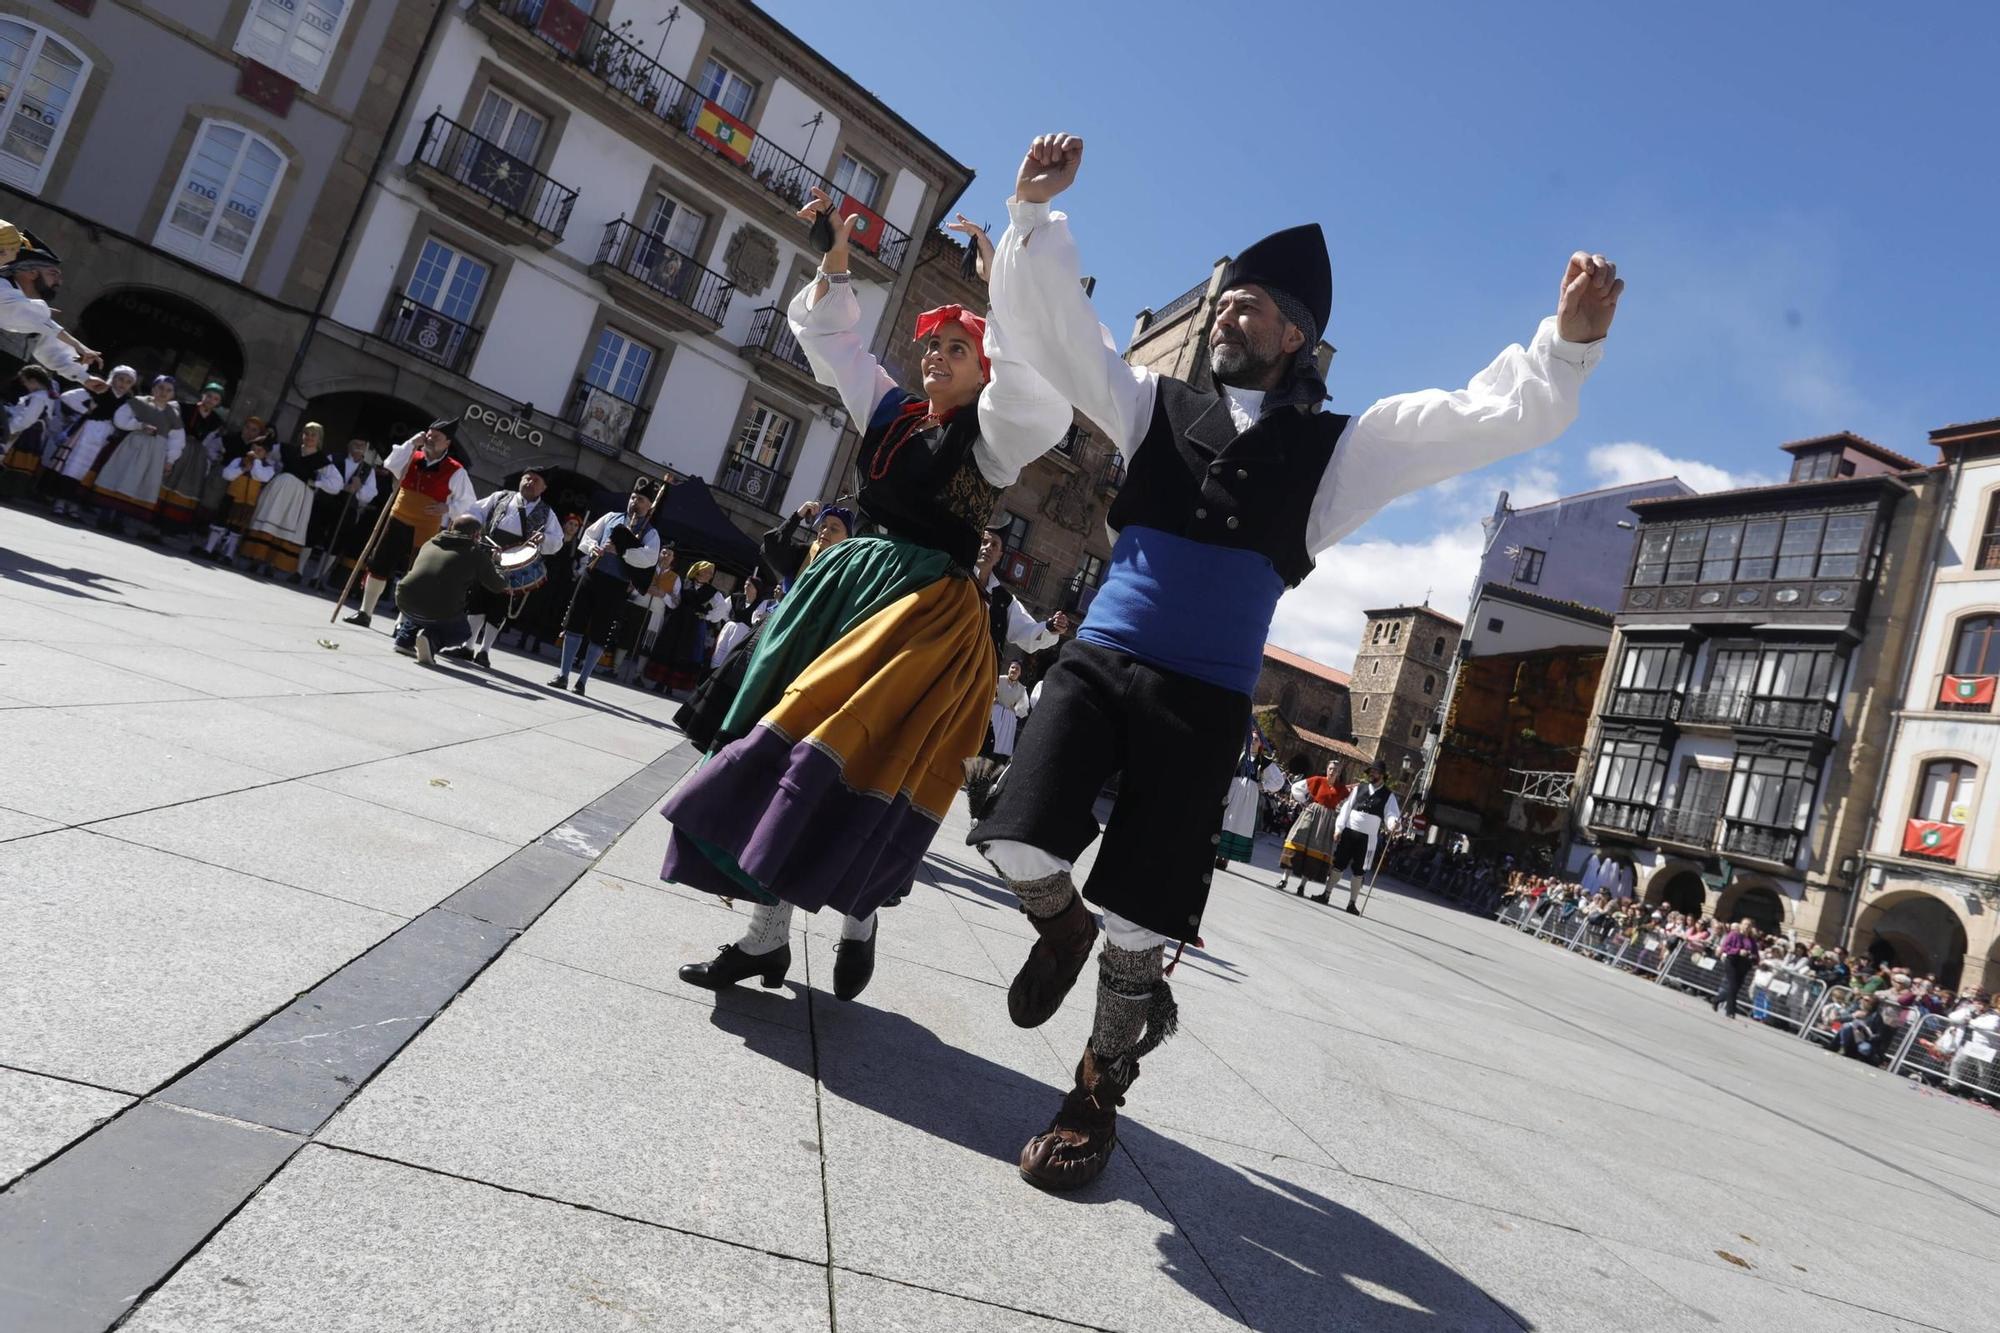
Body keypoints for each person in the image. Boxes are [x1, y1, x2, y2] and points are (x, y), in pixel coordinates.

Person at [970, 132, 1622, 1190]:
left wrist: (1563, 351)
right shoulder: (1145, 402)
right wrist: (1033, 217)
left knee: (1142, 911)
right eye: (1226, 297)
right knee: (1014, 836)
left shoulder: (1338, 451)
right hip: (1101, 654)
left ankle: (1093, 1097)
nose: (1228, 310)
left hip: (1205, 694)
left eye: (1251, 305)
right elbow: (1055, 333)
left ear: (1296, 338)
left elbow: (1462, 421)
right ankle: (1059, 927)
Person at [663, 189, 1069, 1004]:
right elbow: (830, 336)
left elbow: (1036, 400)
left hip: (921, 616)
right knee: (786, 747)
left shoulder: (992, 442)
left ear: (985, 369)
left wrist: (1006, 293)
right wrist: (837, 258)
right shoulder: (886, 406)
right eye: (933, 346)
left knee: (860, 757)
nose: (937, 356)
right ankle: (766, 935)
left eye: (957, 348)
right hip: (842, 591)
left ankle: (859, 915)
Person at [344, 418, 478, 628]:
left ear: (447, 443)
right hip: (398, 517)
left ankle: (403, 623)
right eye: (429, 435)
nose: (430, 439)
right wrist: (410, 443)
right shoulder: (411, 455)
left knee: (416, 574)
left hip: (427, 527)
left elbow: (469, 502)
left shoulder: (456, 470)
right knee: (379, 563)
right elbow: (390, 464)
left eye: (436, 437)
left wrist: (448, 508)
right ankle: (365, 612)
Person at [550, 479, 663, 695]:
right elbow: (588, 536)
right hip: (592, 576)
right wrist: (594, 548)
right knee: (574, 623)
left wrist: (622, 552)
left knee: (600, 633)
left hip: (617, 585)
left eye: (640, 499)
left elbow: (649, 558)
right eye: (633, 497)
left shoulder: (650, 532)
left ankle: (582, 681)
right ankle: (563, 675)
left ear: (649, 505)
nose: (634, 502)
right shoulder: (612, 517)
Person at [452, 468, 564, 666]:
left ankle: (485, 651)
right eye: (527, 478)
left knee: (499, 606)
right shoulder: (500, 496)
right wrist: (474, 526)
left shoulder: (548, 513)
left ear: (544, 487)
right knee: (477, 600)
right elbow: (476, 510)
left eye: (536, 480)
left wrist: (544, 538)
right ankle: (467, 646)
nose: (530, 482)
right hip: (488, 554)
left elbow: (558, 541)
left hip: (515, 564)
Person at [389, 516, 509, 665]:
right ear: (476, 536)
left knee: (425, 593)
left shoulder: (430, 542)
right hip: (439, 608)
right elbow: (498, 585)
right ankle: (431, 640)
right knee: (462, 631)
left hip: (404, 599)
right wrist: (498, 564)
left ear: (451, 527)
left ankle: (405, 640)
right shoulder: (475, 554)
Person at [0, 226, 97, 386]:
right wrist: (78, 345)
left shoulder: (33, 312)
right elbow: (25, 313)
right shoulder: (3, 287)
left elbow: (53, 350)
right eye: (53, 274)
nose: (59, 282)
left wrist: (84, 377)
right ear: (31, 273)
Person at [93, 374, 186, 536]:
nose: (164, 392)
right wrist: (138, 425)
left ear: (173, 394)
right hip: (133, 446)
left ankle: (119, 520)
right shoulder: (139, 402)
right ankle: (105, 516)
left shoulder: (173, 414)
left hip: (155, 452)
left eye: (169, 390)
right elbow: (119, 419)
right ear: (153, 389)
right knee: (121, 476)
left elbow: (177, 439)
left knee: (138, 482)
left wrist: (170, 459)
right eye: (160, 388)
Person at [241, 421, 336, 578]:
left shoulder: (322, 460)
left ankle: (273, 564)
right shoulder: (287, 449)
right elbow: (266, 453)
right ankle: (256, 559)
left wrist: (316, 482)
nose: (309, 437)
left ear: (319, 438)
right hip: (278, 490)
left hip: (299, 496)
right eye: (307, 433)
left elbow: (335, 483)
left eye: (314, 435)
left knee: (287, 525)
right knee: (269, 520)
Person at [49, 366, 135, 519]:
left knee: (89, 470)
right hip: (87, 430)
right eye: (120, 379)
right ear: (113, 377)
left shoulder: (128, 401)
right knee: (73, 465)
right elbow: (67, 397)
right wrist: (86, 409)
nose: (123, 384)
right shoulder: (100, 388)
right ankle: (60, 501)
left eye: (128, 382)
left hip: (106, 436)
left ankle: (74, 504)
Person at [1328, 761, 1401, 913]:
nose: (1371, 774)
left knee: (1359, 871)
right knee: (1338, 864)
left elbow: (1391, 814)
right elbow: (1346, 809)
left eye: (1375, 772)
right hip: (1349, 832)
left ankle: (1352, 903)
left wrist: (1393, 824)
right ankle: (1326, 894)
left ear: (1382, 775)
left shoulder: (1389, 795)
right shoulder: (1359, 788)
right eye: (1371, 771)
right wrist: (1338, 829)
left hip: (1367, 839)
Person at [648, 559, 727, 694]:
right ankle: (660, 682)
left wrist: (707, 616)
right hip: (677, 620)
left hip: (694, 625)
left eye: (711, 573)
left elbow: (721, 609)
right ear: (698, 571)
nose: (709, 574)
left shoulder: (712, 592)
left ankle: (671, 685)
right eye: (706, 571)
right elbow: (675, 598)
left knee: (685, 653)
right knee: (669, 648)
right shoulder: (685, 583)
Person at [159, 382, 228, 535]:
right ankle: (156, 520)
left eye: (215, 399)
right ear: (203, 395)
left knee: (187, 486)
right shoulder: (185, 408)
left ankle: (172, 525)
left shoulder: (217, 421)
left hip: (198, 455)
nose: (210, 400)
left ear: (218, 403)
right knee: (168, 479)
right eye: (209, 396)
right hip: (180, 447)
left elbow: (210, 442)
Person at [1276, 761, 1347, 895]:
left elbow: (1347, 806)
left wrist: (1338, 820)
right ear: (1327, 769)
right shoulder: (1318, 780)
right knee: (1297, 843)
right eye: (1331, 768)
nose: (1332, 772)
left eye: (1336, 770)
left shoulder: (1342, 789)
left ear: (1339, 773)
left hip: (1326, 822)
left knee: (1315, 852)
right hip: (1311, 814)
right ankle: (1284, 879)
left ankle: (1302, 886)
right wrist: (1304, 801)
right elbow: (1296, 787)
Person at [202, 440, 277, 562]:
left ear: (266, 454)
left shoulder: (268, 468)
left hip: (247, 502)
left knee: (236, 528)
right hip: (231, 496)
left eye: (260, 451)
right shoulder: (239, 461)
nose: (256, 453)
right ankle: (208, 549)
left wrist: (256, 461)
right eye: (254, 449)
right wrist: (242, 469)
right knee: (220, 522)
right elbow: (227, 475)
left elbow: (260, 476)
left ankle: (228, 555)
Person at [1217, 735, 1283, 871]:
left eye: (1256, 739)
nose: (1253, 741)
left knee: (1240, 823)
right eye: (1251, 738)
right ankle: (1219, 854)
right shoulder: (1239, 754)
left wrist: (1264, 786)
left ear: (1261, 744)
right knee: (1227, 820)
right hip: (1233, 791)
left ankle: (1226, 859)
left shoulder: (1264, 761)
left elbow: (1279, 781)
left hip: (1249, 796)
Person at [1, 365, 61, 489]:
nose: (24, 385)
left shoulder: (39, 397)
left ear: (33, 381)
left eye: (24, 382)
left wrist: (8, 429)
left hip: (25, 432)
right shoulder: (43, 395)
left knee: (12, 461)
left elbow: (26, 419)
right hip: (29, 430)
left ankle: (8, 490)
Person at [1712, 918, 1761, 1020]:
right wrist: (1738, 951)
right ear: (1741, 924)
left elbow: (1756, 953)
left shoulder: (1751, 940)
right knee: (1733, 986)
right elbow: (1725, 947)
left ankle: (1716, 999)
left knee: (1735, 988)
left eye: (1749, 925)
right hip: (1732, 962)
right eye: (1745, 924)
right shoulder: (1734, 934)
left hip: (1744, 965)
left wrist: (1755, 960)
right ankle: (1730, 1011)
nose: (1747, 927)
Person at [991, 660, 1032, 759]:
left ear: (1020, 673)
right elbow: (989, 690)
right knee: (991, 737)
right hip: (994, 712)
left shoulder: (1021, 689)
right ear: (1009, 669)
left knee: (1002, 742)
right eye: (1012, 667)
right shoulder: (999, 679)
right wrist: (993, 699)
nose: (1014, 670)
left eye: (1017, 669)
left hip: (1007, 718)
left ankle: (996, 760)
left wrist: (1015, 710)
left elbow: (1024, 706)